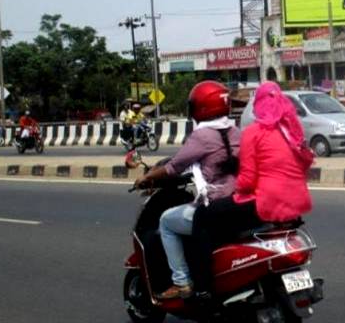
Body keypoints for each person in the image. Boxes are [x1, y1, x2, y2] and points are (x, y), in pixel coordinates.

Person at [191, 81, 315, 295]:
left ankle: (203, 288)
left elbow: (247, 180)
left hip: (267, 203)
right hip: (296, 204)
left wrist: (232, 190)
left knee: (203, 215)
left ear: (258, 106)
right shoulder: (292, 131)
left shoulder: (253, 132)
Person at [133, 81, 240, 300]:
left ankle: (181, 282)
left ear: (200, 108)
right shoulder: (236, 131)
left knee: (166, 221)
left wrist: (146, 177)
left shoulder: (202, 136)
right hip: (236, 203)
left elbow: (173, 167)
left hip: (214, 206)